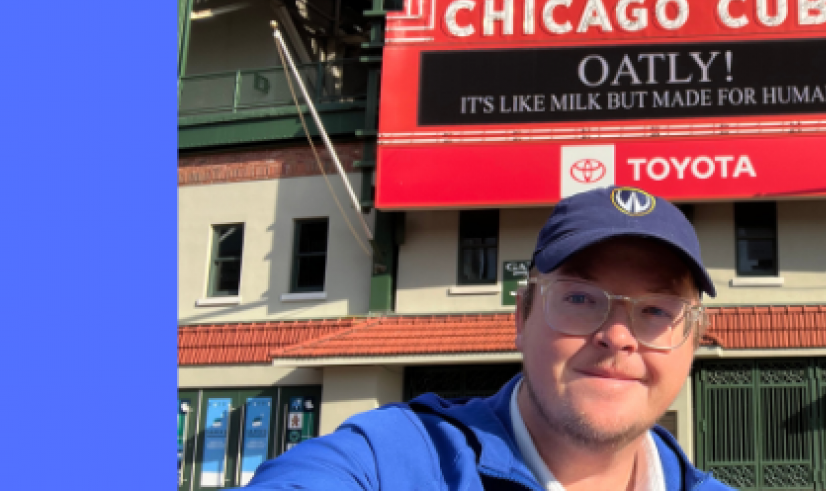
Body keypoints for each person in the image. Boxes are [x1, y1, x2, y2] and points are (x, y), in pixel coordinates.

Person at [242, 186, 734, 491]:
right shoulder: (389, 459)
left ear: (691, 341)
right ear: (521, 317)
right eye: (581, 298)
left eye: (656, 310)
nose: (618, 337)